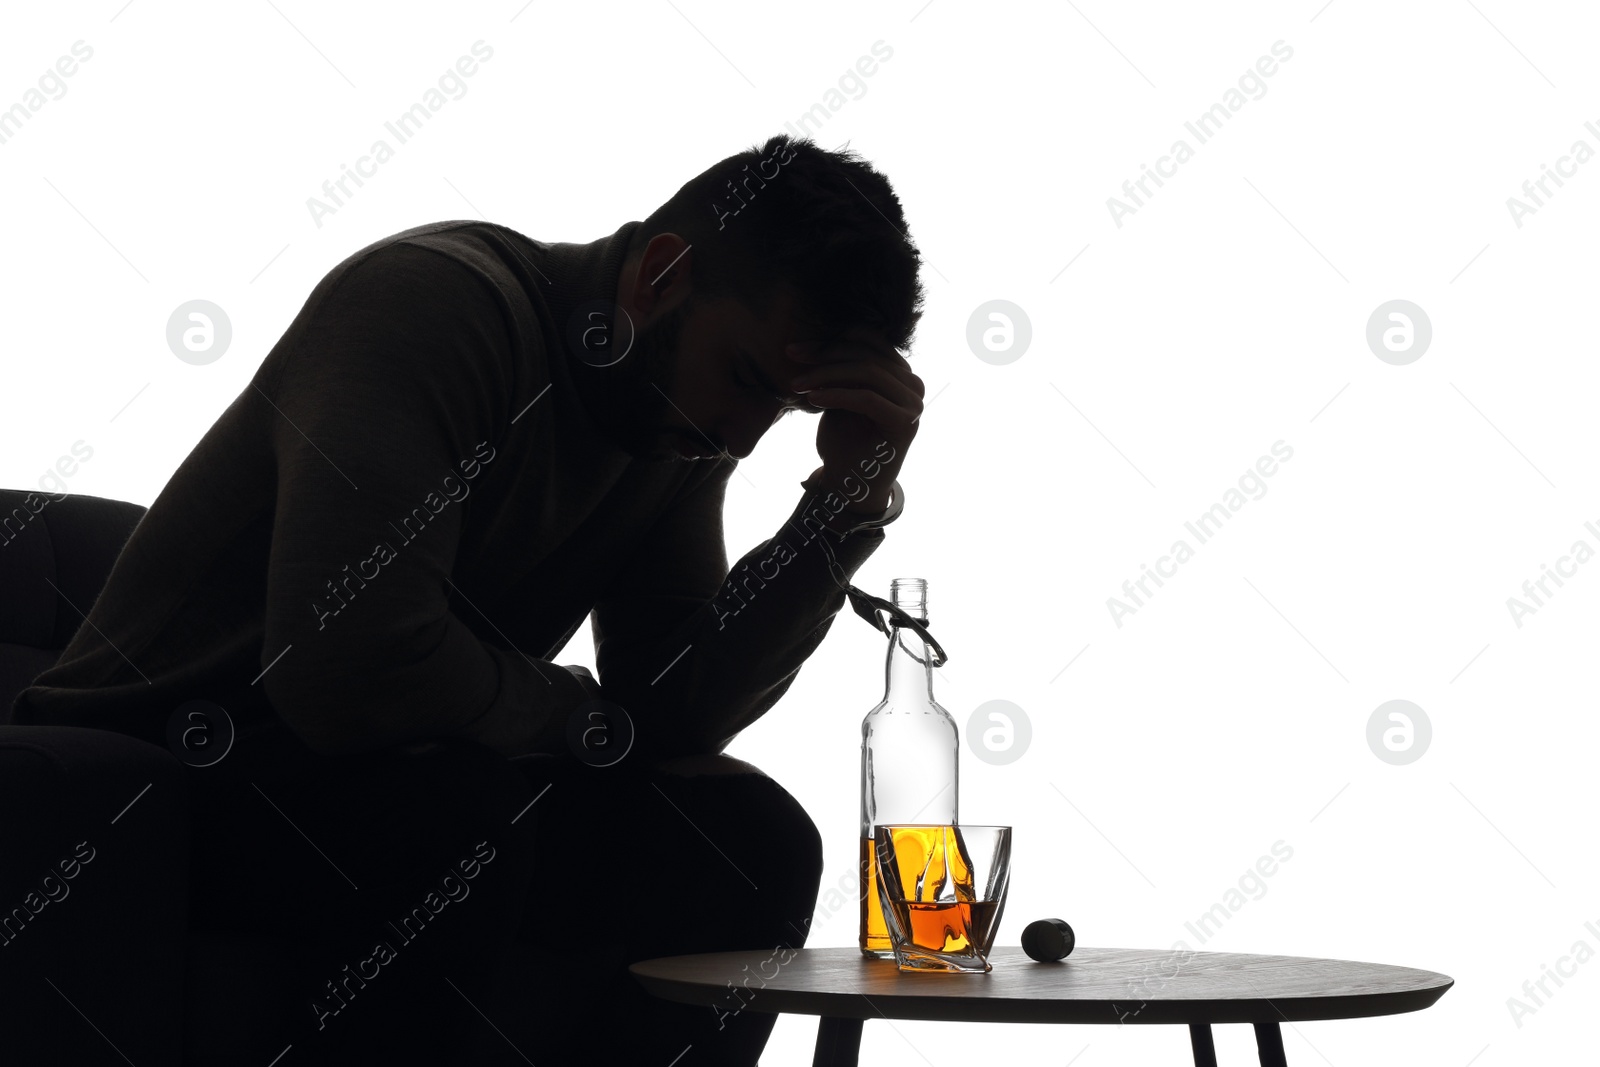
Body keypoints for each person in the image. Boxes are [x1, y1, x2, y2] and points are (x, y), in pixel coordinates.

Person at [9, 133, 926, 1065]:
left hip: (387, 771)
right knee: (452, 821)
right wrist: (578, 708)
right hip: (153, 772)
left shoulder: (672, 422)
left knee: (749, 841)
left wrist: (839, 511)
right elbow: (351, 665)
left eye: (789, 410)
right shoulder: (432, 306)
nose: (744, 434)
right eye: (746, 381)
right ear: (661, 276)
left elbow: (672, 710)